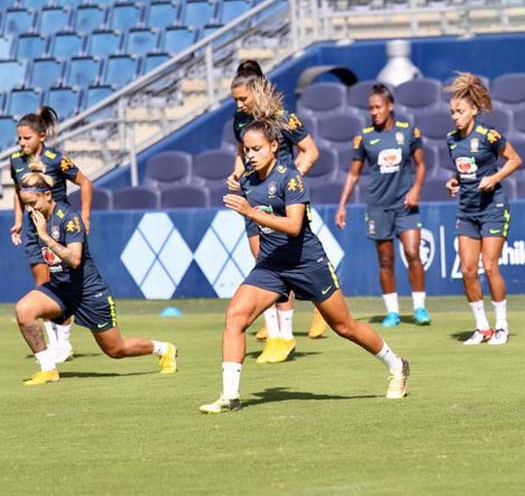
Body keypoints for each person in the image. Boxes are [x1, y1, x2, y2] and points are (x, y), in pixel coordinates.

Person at [200, 119, 410, 413]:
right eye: (246, 149)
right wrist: (237, 186)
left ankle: (396, 364)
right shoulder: (248, 180)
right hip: (272, 265)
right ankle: (230, 397)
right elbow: (254, 203)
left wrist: (249, 211)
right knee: (235, 316)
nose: (250, 154)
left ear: (274, 147)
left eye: (256, 148)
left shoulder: (291, 179)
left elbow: (294, 226)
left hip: (306, 263)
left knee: (344, 327)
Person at [14, 172, 177, 385]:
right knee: (24, 310)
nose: (30, 209)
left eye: (33, 203)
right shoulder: (37, 218)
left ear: (47, 195)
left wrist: (45, 237)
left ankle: (164, 349)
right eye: (26, 205)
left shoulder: (69, 219)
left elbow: (74, 259)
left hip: (88, 293)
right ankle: (48, 369)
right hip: (60, 289)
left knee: (116, 349)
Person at [227, 59, 329, 363]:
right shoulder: (240, 121)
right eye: (234, 100)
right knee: (264, 265)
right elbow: (240, 154)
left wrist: (288, 184)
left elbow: (311, 151)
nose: (239, 104)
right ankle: (276, 336)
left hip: (281, 206)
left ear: (257, 91)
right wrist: (236, 176)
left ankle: (286, 336)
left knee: (286, 263)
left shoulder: (283, 118)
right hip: (253, 203)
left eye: (243, 98)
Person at [335, 83, 431, 327]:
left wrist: (416, 189)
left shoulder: (408, 131)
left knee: (412, 253)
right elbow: (354, 174)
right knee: (385, 260)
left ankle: (420, 308)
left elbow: (421, 165)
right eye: (370, 108)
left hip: (405, 204)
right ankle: (393, 312)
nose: (374, 112)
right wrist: (342, 204)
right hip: (378, 206)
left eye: (378, 107)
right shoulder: (364, 137)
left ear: (390, 106)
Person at [9, 106, 94, 363]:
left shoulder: (57, 159)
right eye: (20, 138)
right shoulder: (16, 161)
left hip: (59, 230)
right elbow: (17, 191)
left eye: (27, 138)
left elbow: (85, 183)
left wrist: (85, 216)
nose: (22, 143)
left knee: (61, 284)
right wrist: (18, 222)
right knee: (42, 288)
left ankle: (64, 343)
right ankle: (53, 344)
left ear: (42, 136)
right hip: (35, 231)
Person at [444, 72, 521, 346]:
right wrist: (455, 181)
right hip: (466, 211)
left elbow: (515, 160)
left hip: (493, 208)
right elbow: (464, 169)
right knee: (467, 270)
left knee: (489, 266)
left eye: (460, 111)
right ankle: (482, 328)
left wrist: (494, 178)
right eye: (452, 112)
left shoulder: (489, 135)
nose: (455, 116)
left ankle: (502, 326)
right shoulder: (451, 140)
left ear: (474, 110)